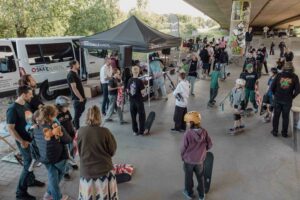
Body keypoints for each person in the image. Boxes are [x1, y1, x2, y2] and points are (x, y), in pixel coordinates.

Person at [6, 86, 44, 200]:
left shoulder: (25, 105)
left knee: (33, 160)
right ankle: (20, 193)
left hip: (31, 139)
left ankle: (31, 181)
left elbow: (28, 120)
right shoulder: (12, 109)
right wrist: (21, 141)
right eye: (30, 94)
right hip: (23, 142)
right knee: (28, 164)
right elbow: (10, 129)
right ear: (23, 94)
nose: (32, 96)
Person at [77, 105, 118, 200]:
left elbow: (78, 152)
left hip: (86, 174)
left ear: (87, 116)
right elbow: (112, 151)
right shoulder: (105, 132)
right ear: (99, 116)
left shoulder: (80, 131)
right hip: (104, 173)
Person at [33, 105, 71, 200]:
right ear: (51, 115)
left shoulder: (36, 127)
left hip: (44, 157)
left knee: (52, 175)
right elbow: (67, 139)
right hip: (58, 157)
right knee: (61, 172)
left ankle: (48, 194)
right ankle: (57, 197)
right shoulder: (55, 126)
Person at [180, 111, 212, 200]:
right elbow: (210, 144)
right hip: (200, 161)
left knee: (188, 178)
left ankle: (189, 193)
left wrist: (182, 156)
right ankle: (202, 195)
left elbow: (183, 147)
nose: (186, 124)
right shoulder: (204, 132)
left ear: (191, 123)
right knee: (200, 177)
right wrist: (203, 151)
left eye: (186, 122)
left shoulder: (187, 134)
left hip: (188, 161)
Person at [271, 62, 300, 137]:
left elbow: (272, 87)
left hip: (278, 98)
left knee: (276, 116)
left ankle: (275, 131)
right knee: (285, 117)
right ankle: (284, 133)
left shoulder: (279, 75)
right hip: (287, 100)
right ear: (292, 68)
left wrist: (275, 94)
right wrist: (292, 96)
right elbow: (298, 90)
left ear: (284, 68)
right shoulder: (295, 77)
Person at [55, 96, 78, 180]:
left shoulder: (67, 112)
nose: (67, 108)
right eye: (66, 106)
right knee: (66, 155)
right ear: (59, 106)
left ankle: (72, 162)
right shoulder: (56, 115)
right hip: (63, 138)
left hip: (71, 135)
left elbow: (71, 121)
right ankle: (65, 171)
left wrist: (74, 129)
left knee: (72, 151)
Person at [127, 65, 146, 136]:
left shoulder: (129, 80)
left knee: (133, 117)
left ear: (132, 72)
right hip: (139, 101)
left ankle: (135, 131)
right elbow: (143, 92)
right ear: (138, 72)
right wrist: (145, 89)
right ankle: (141, 131)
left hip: (132, 102)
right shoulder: (140, 81)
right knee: (141, 116)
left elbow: (128, 90)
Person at [67, 60, 86, 130]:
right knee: (77, 115)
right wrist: (80, 97)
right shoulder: (70, 75)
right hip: (77, 98)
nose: (79, 65)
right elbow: (74, 88)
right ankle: (77, 129)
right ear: (74, 65)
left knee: (82, 110)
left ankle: (73, 123)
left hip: (82, 96)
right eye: (78, 63)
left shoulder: (75, 73)